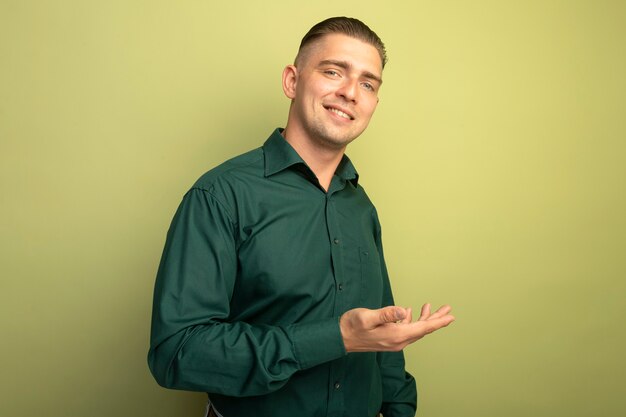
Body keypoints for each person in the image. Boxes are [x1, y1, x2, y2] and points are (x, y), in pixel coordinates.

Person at [148, 16, 455, 417]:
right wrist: (336, 337)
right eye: (333, 72)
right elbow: (178, 352)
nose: (350, 93)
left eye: (367, 83)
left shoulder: (360, 207)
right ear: (292, 81)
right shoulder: (220, 196)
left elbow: (384, 346)